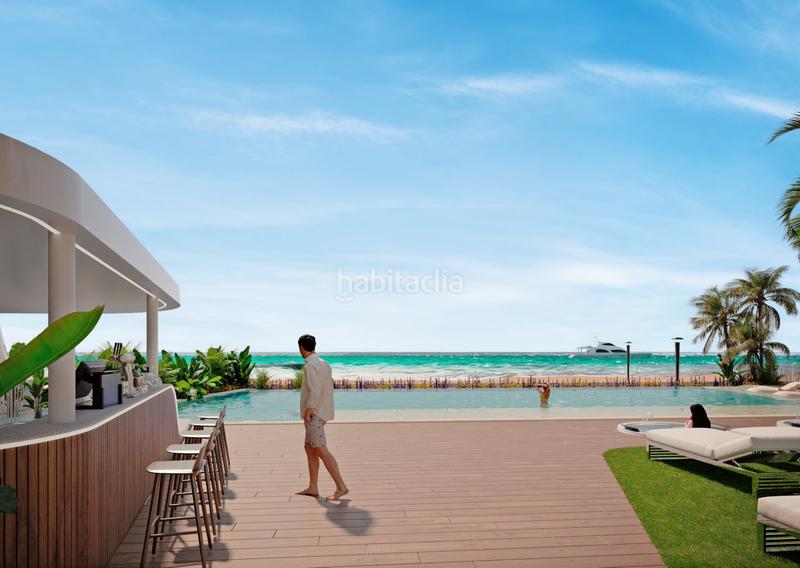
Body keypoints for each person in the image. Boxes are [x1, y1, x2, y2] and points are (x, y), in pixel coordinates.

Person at [294, 334, 349, 500]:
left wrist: (309, 409)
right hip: (322, 412)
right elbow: (327, 388)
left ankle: (341, 487)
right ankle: (313, 487)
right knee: (309, 448)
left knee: (320, 449)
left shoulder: (310, 366)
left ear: (301, 348)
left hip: (314, 413)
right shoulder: (324, 363)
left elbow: (315, 390)